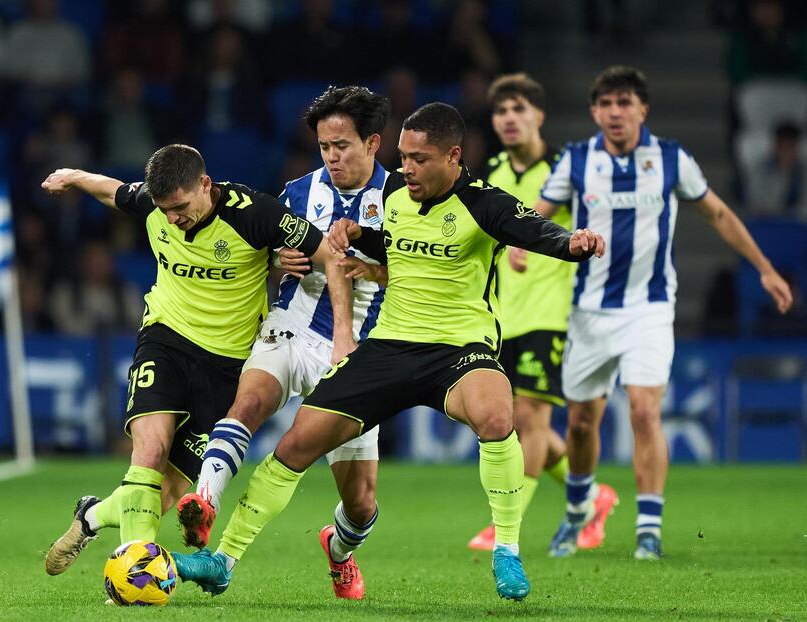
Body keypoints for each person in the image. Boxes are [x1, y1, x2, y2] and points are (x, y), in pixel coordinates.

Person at [172, 102, 605, 601]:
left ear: (453, 156)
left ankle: (507, 548)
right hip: (389, 345)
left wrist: (573, 241)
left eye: (419, 159)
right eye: (403, 157)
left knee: (495, 412)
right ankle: (221, 561)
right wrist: (361, 236)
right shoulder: (395, 193)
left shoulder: (485, 203)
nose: (406, 169)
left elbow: (535, 230)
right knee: (294, 445)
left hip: (458, 346)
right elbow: (395, 242)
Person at [41, 144, 341, 576]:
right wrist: (73, 174)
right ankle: (135, 579)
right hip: (166, 339)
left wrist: (283, 259)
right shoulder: (156, 205)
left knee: (165, 495)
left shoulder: (255, 213)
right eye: (164, 210)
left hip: (227, 364)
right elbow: (114, 192)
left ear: (205, 184)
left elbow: (327, 252)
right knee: (148, 450)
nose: (172, 218)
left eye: (180, 207)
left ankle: (90, 516)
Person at [532, 66, 793, 560]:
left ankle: (648, 527)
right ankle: (577, 512)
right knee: (583, 424)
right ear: (594, 112)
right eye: (606, 103)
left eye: (624, 102)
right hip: (589, 311)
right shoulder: (576, 160)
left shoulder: (671, 159)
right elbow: (539, 211)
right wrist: (521, 246)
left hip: (649, 309)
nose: (615, 112)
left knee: (645, 410)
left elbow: (716, 212)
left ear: (642, 109)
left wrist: (763, 267)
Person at [175, 85, 390, 600]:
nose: (332, 156)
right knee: (249, 402)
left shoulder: (404, 198)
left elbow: (423, 273)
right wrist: (278, 262)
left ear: (373, 142)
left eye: (342, 145)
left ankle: (338, 549)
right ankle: (207, 510)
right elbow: (264, 250)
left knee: (360, 503)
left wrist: (375, 269)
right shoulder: (297, 192)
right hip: (291, 324)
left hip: (357, 349)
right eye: (323, 147)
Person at [467, 73, 619, 553]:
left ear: (539, 116)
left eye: (518, 109)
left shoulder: (565, 172)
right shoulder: (490, 170)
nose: (508, 120)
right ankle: (594, 496)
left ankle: (503, 526)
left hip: (551, 315)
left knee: (528, 419)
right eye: (500, 112)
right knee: (518, 424)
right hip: (498, 316)